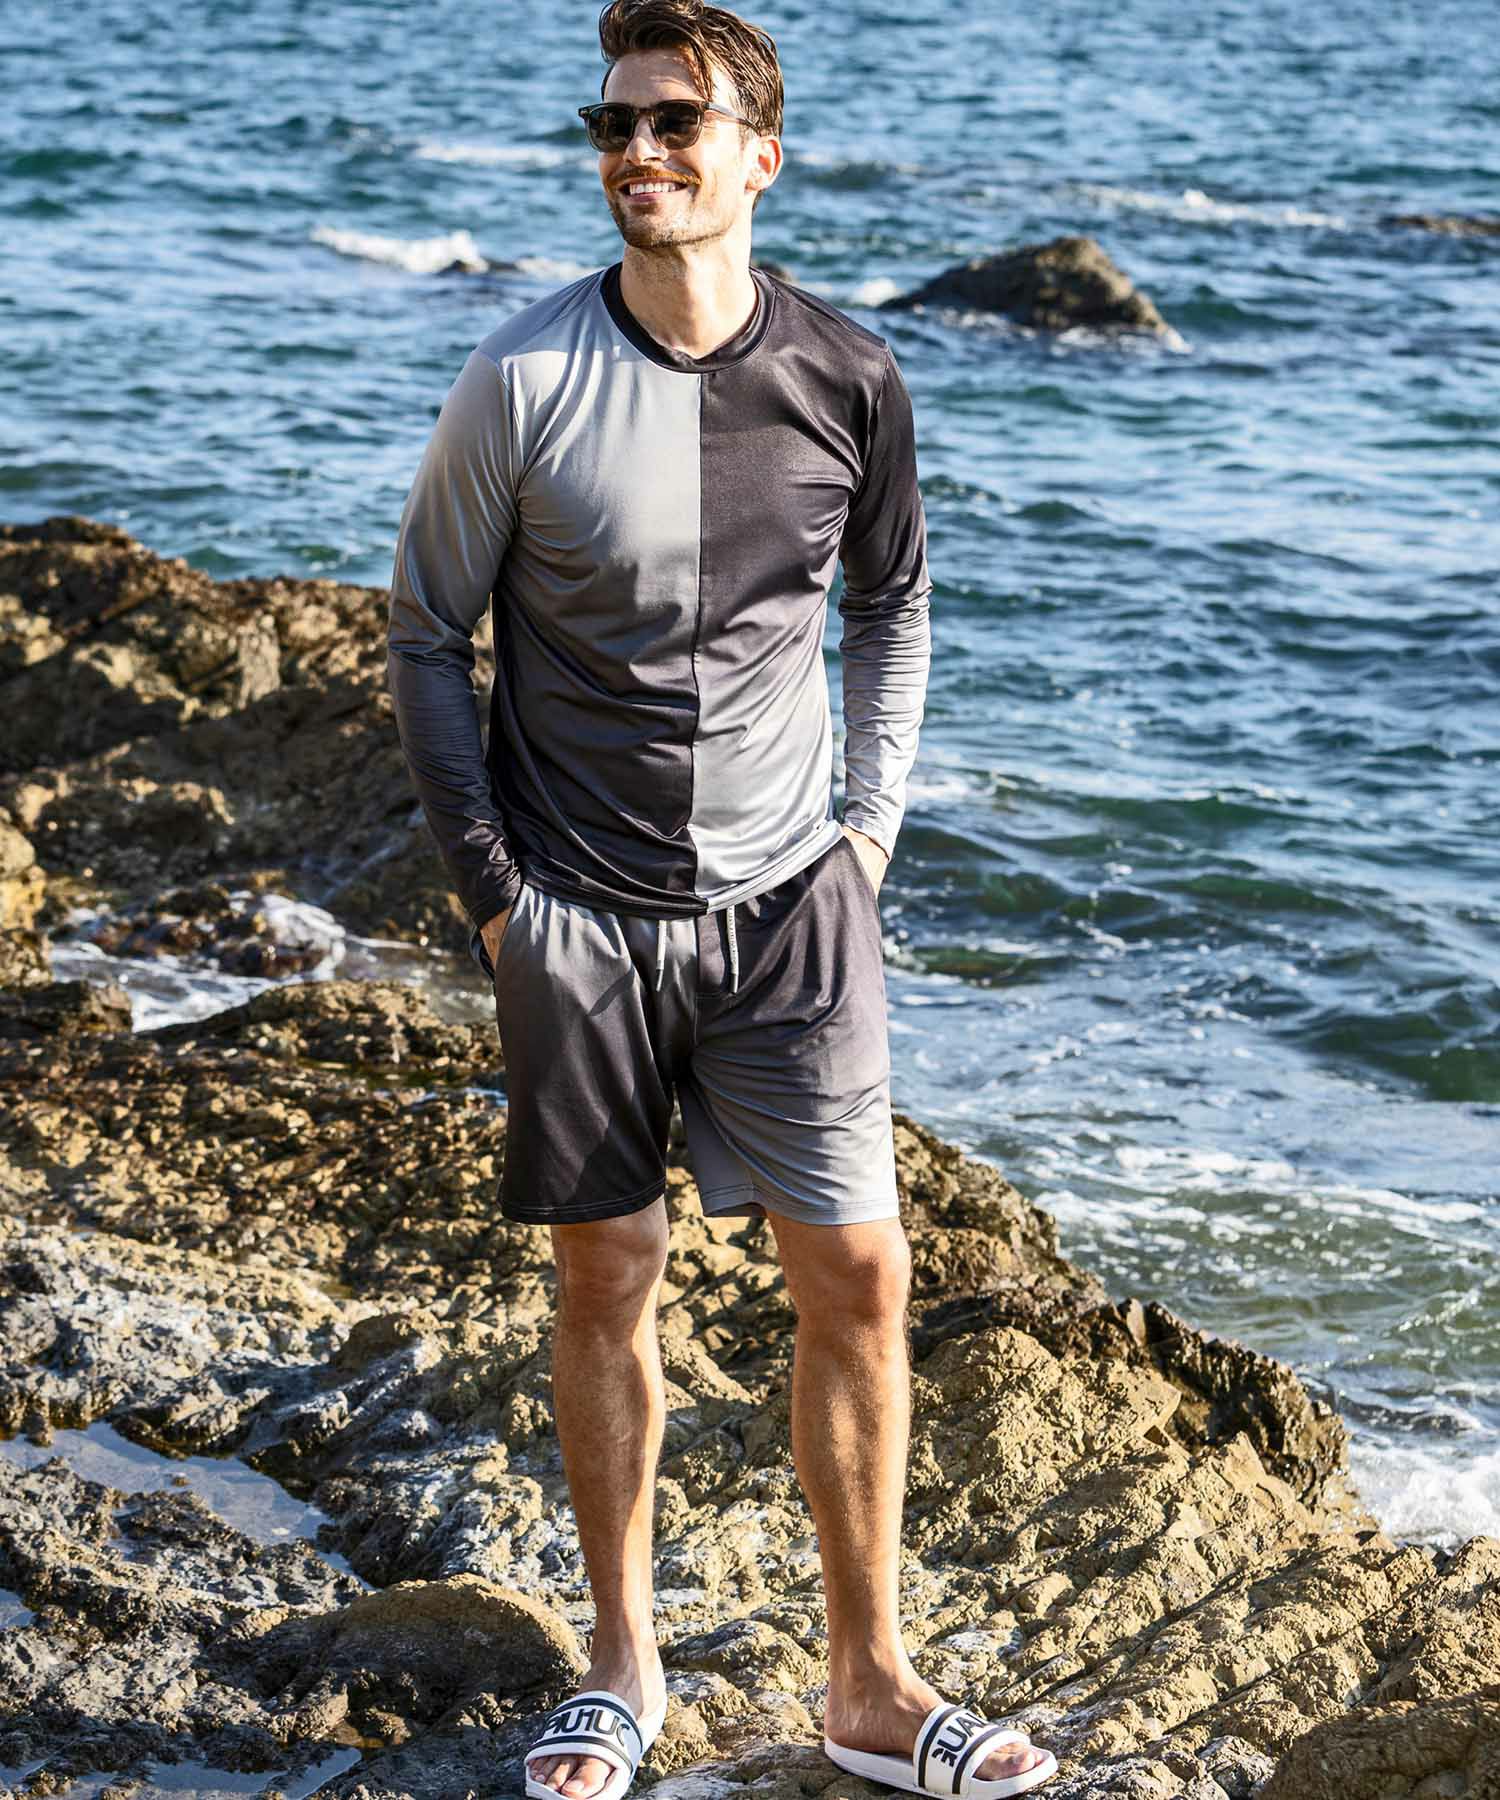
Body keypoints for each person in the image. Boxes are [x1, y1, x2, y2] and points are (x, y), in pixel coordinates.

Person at [386, 3, 1055, 1796]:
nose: (637, 153)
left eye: (674, 121)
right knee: (609, 1273)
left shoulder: (850, 375)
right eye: (612, 125)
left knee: (862, 1274)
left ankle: (872, 1688)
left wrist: (869, 833)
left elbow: (893, 604)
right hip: (577, 913)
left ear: (760, 154)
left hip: (791, 908)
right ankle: (622, 1668)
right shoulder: (522, 378)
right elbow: (424, 636)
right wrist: (498, 903)